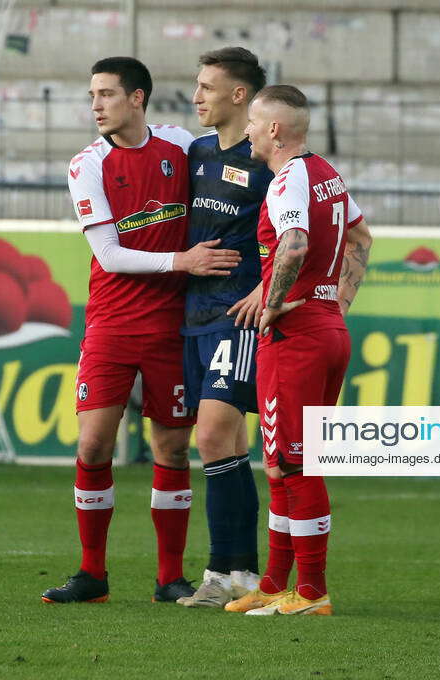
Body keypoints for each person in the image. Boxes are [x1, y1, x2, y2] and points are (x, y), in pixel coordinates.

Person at [42, 57, 241, 605]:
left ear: (137, 98)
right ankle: (91, 574)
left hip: (174, 327)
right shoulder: (87, 164)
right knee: (93, 443)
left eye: (106, 94)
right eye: (92, 96)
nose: (96, 105)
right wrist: (183, 261)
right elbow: (107, 253)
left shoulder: (180, 145)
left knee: (173, 450)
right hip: (110, 323)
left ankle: (169, 578)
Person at [224, 85, 373, 616]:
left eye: (253, 123)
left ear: (274, 131)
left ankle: (311, 592)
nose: (245, 131)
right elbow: (361, 238)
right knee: (282, 463)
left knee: (297, 461)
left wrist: (274, 304)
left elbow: (294, 244)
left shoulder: (287, 179)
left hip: (295, 338)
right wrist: (334, 303)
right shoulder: (327, 174)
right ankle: (275, 583)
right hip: (325, 328)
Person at [175, 47, 274, 609]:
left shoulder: (269, 163)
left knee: (213, 434)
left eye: (207, 87)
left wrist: (266, 287)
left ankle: (220, 573)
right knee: (227, 442)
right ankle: (242, 577)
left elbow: (298, 229)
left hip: (238, 314)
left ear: (239, 95)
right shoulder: (196, 152)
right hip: (194, 314)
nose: (197, 97)